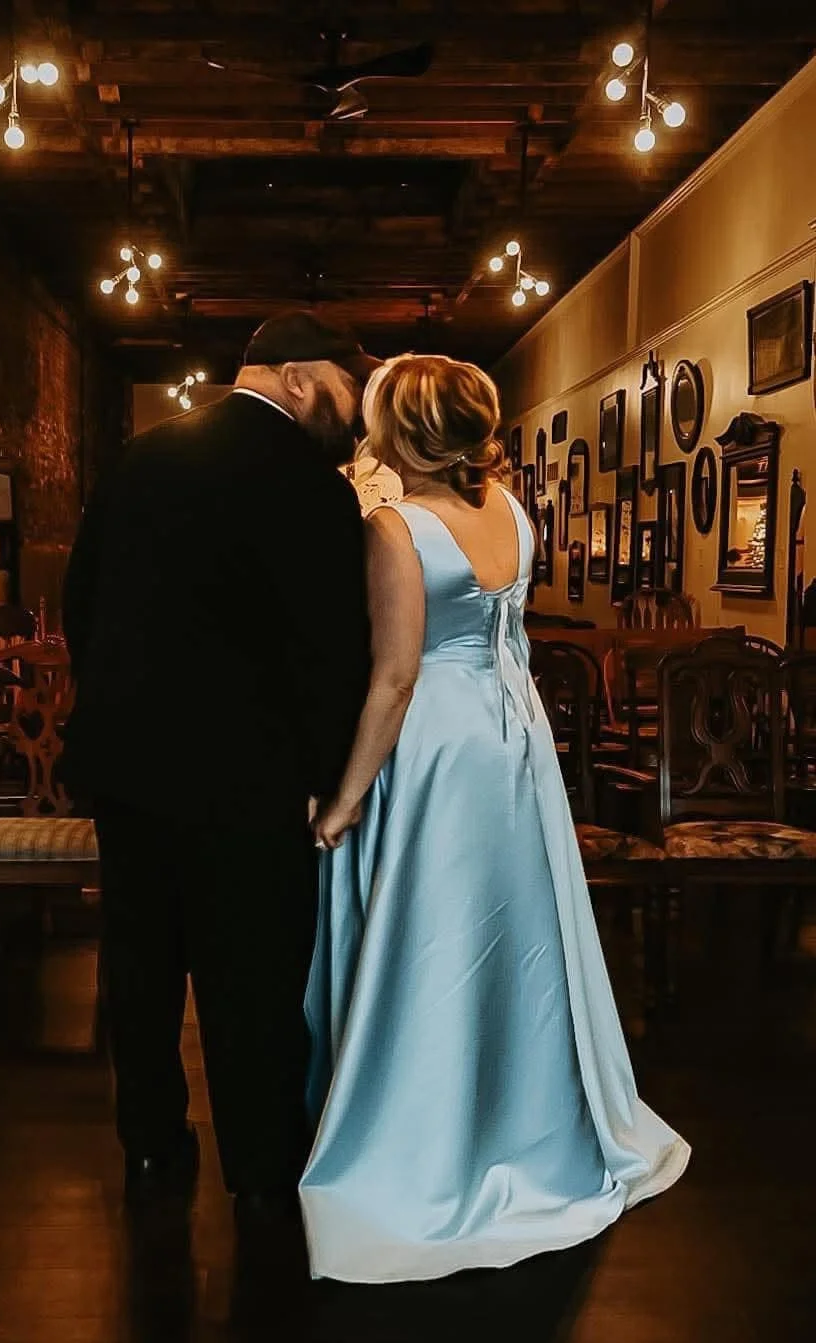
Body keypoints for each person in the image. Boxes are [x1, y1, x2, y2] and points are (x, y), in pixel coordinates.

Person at [299, 354, 690, 1283]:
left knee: (431, 934)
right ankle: (523, 1116)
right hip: (514, 741)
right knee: (513, 933)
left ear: (402, 433)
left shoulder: (394, 527)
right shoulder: (515, 513)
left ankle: (424, 1135)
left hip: (436, 747)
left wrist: (344, 799)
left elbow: (396, 678)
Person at [62, 312, 376, 1217]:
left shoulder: (140, 458)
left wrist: (114, 708)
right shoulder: (311, 487)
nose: (356, 412)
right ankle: (259, 1165)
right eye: (348, 387)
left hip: (128, 766)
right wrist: (328, 776)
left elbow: (81, 599)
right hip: (251, 777)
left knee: (141, 964)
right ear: (298, 378)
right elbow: (331, 651)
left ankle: (151, 1142)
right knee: (254, 975)